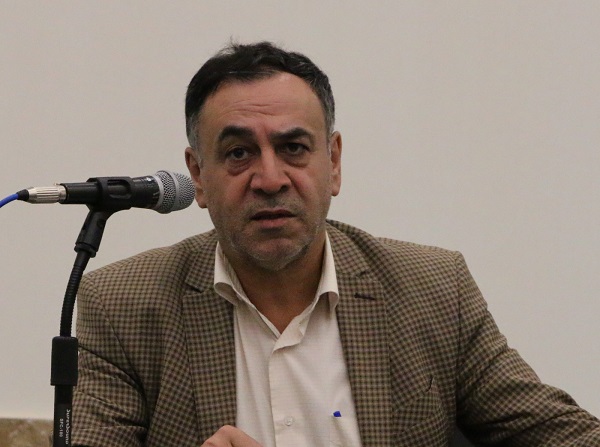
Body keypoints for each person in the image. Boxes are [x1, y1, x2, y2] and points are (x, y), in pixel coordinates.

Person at [72, 41, 600, 447]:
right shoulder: (122, 306)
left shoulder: (434, 291)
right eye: (238, 154)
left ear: (334, 162)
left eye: (293, 147)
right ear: (198, 175)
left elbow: (568, 437)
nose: (270, 179)